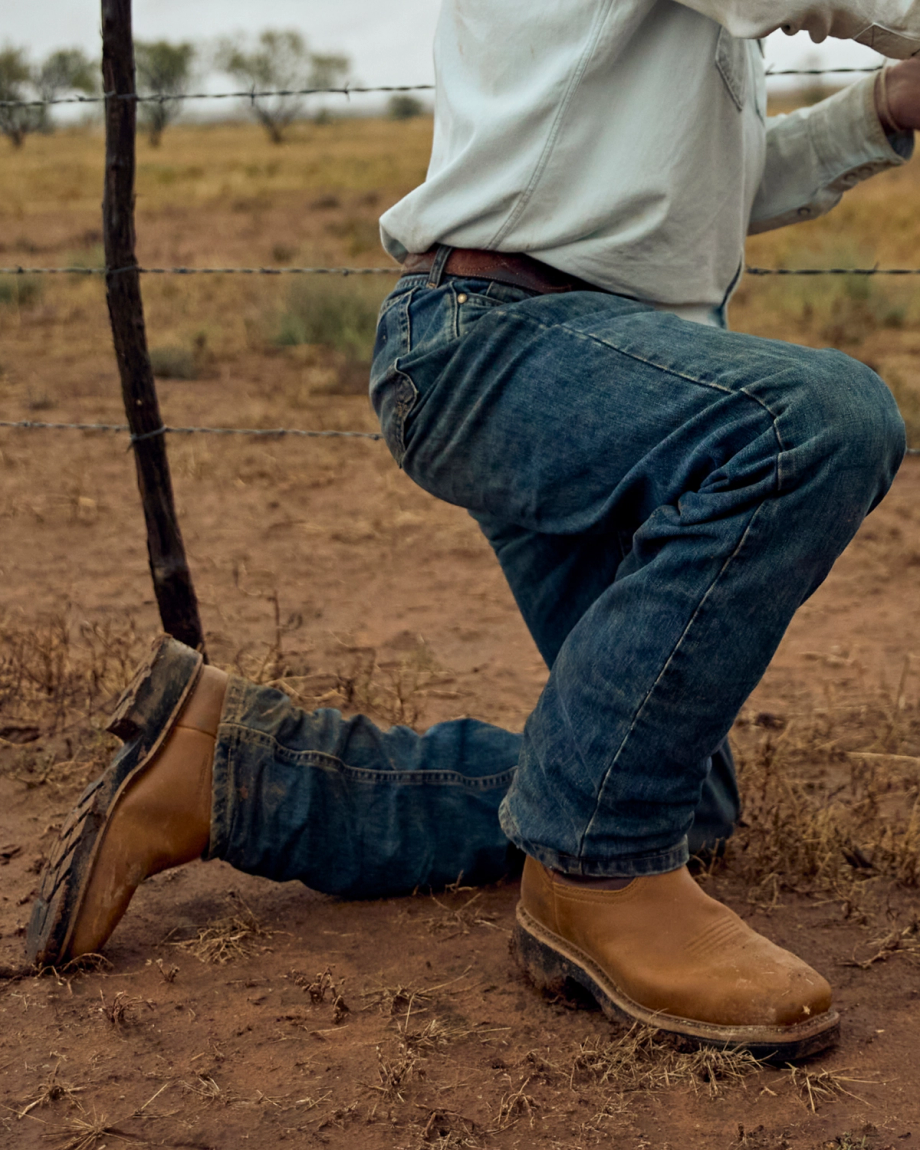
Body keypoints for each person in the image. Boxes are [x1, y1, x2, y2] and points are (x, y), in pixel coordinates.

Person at [28, 0, 920, 1061]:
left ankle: (233, 772)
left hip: (577, 355)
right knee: (814, 421)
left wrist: (880, 107)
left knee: (671, 794)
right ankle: (592, 876)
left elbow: (706, 197)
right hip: (497, 344)